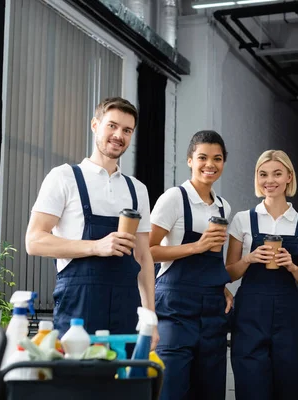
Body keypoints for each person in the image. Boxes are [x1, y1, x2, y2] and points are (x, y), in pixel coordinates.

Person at [26, 97, 157, 345]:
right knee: (77, 381)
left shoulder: (137, 189)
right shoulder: (64, 177)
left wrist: (150, 316)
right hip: (79, 305)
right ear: (95, 125)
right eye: (112, 126)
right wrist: (96, 247)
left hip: (126, 306)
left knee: (124, 381)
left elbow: (143, 256)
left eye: (127, 130)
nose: (119, 135)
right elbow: (34, 241)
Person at [226, 150, 298, 400]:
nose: (270, 181)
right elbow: (229, 274)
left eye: (277, 174)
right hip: (249, 315)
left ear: (289, 177)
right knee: (250, 388)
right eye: (263, 174)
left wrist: (292, 266)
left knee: (289, 388)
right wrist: (249, 258)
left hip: (289, 316)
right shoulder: (243, 220)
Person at [149, 130, 234, 400]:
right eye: (202, 157)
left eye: (217, 158)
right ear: (189, 160)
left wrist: (222, 287)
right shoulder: (173, 199)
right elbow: (147, 251)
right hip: (175, 308)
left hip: (212, 310)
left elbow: (215, 258)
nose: (210, 164)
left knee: (209, 391)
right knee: (171, 389)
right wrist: (196, 246)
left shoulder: (223, 207)